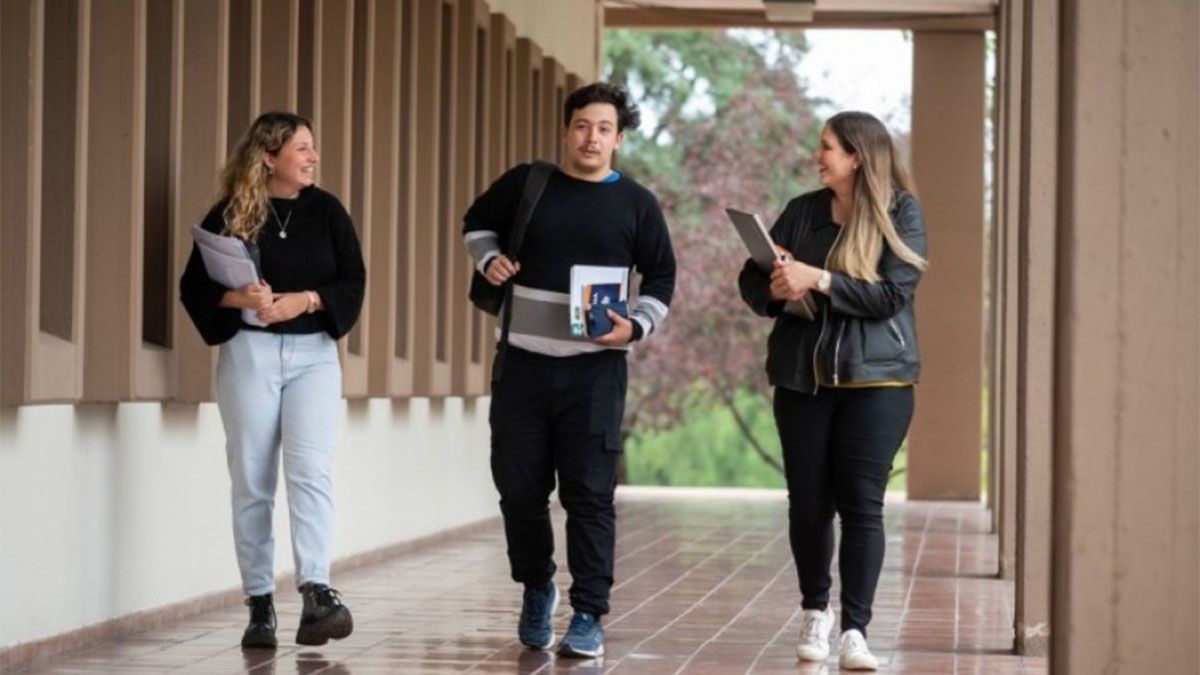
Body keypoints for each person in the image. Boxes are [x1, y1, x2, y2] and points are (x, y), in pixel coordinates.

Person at [461, 82, 676, 658]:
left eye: (604, 129)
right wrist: (490, 259)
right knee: (519, 488)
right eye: (582, 125)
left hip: (595, 373)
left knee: (589, 495)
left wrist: (636, 326)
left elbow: (661, 278)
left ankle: (588, 613)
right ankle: (537, 587)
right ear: (566, 130)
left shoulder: (637, 204)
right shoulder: (528, 183)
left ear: (619, 139)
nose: (591, 137)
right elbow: (475, 223)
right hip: (522, 367)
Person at [738, 111, 928, 671]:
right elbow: (751, 281)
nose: (817, 157)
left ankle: (856, 631)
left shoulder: (902, 212)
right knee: (809, 504)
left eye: (826, 148)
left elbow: (892, 294)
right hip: (803, 379)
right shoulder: (802, 210)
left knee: (862, 506)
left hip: (879, 382)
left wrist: (816, 278)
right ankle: (815, 611)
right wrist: (775, 285)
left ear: (858, 157)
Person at [180, 112, 365, 649]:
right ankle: (260, 604)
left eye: (312, 147)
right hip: (249, 356)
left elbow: (353, 280)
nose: (312, 157)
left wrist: (304, 300)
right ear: (269, 157)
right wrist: (243, 298)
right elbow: (195, 287)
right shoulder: (229, 214)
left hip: (313, 357)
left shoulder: (328, 211)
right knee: (252, 481)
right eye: (302, 149)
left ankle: (317, 592)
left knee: (310, 473)